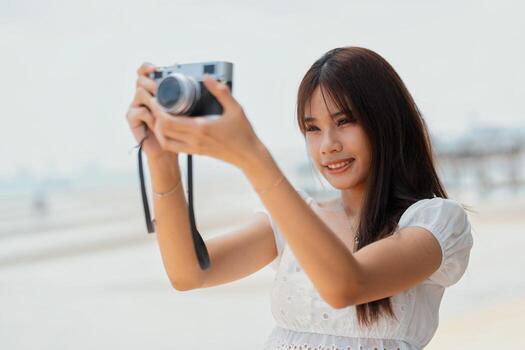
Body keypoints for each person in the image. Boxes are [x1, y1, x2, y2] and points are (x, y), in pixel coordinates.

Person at [125, 46, 474, 350]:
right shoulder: (296, 219)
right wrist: (161, 158)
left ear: (387, 122)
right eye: (313, 128)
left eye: (345, 121)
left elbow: (347, 285)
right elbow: (188, 273)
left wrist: (251, 155)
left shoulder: (435, 222)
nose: (328, 144)